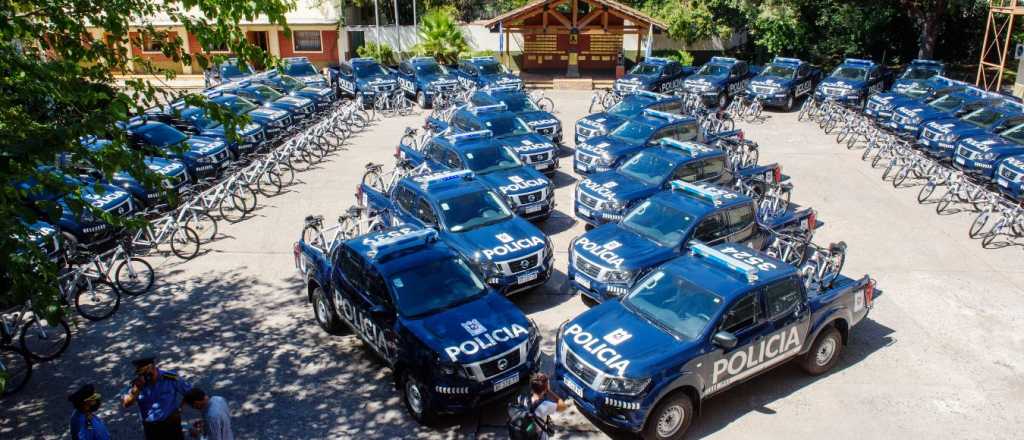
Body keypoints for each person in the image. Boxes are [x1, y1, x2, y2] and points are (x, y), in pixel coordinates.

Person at [121, 356, 193, 440]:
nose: (145, 377)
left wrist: (180, 409)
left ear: (153, 367)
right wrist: (136, 390)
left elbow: (190, 392)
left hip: (171, 425)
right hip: (151, 428)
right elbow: (126, 404)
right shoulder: (137, 384)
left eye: (147, 373)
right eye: (141, 374)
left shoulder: (170, 378)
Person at [530, 373, 569, 440]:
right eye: (548, 384)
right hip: (540, 436)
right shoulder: (545, 405)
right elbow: (563, 406)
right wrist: (549, 391)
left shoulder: (526, 399)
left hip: (530, 434)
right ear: (545, 388)